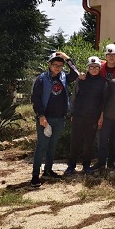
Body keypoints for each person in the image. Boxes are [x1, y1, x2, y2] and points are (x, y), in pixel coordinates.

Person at [30, 52, 79, 187]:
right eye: (55, 65)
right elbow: (35, 99)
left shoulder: (63, 77)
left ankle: (47, 171)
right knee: (42, 146)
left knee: (52, 146)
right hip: (45, 118)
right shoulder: (41, 79)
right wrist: (41, 116)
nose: (57, 67)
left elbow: (75, 73)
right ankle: (35, 176)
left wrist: (67, 58)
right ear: (49, 65)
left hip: (59, 118)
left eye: (60, 65)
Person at [65, 56, 107, 175]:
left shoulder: (103, 82)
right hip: (78, 115)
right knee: (75, 142)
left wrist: (101, 117)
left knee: (89, 143)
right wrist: (72, 112)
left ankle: (86, 165)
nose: (94, 69)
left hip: (93, 117)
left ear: (99, 68)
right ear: (88, 68)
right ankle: (71, 166)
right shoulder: (81, 79)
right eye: (91, 67)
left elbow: (104, 102)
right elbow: (74, 96)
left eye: (96, 67)